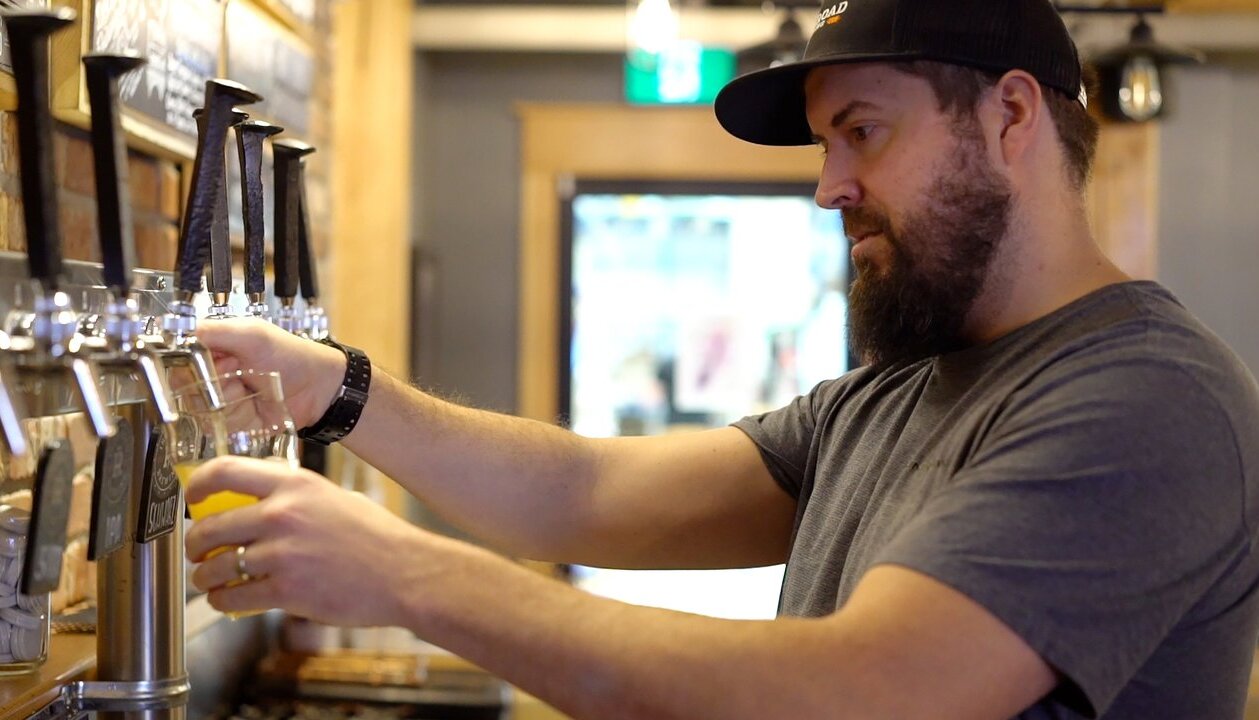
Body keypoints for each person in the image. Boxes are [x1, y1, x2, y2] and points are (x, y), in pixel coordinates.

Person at [184, 0, 1259, 717]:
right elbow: (585, 493)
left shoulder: (1143, 400)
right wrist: (336, 389)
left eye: (862, 132)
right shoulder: (890, 396)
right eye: (824, 143)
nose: (827, 185)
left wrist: (408, 576)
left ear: (1009, 115)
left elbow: (859, 694)